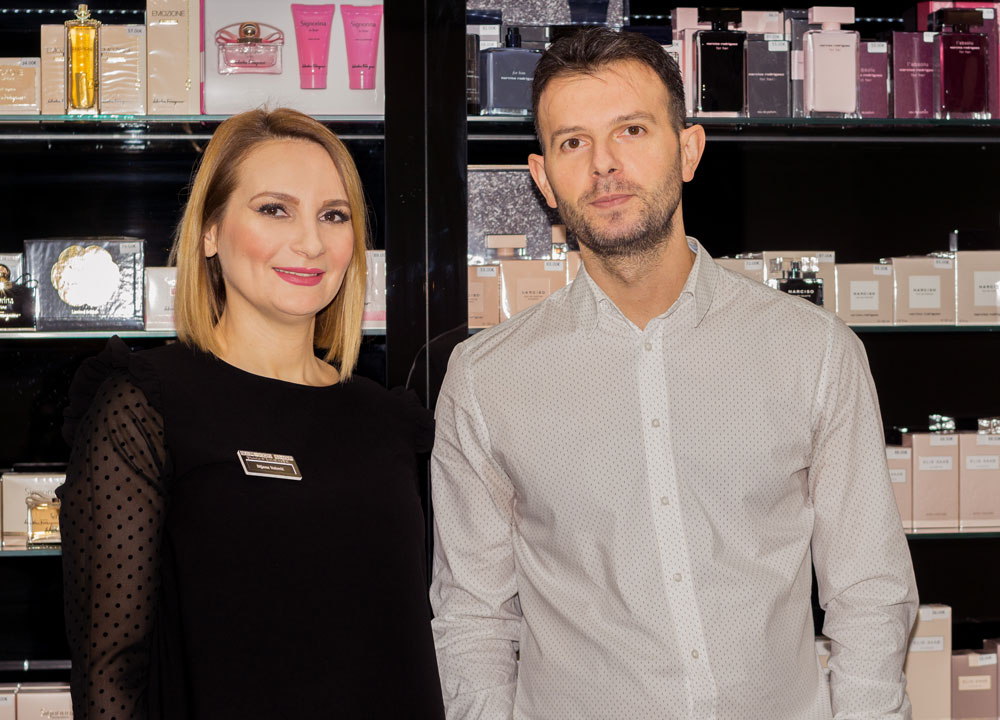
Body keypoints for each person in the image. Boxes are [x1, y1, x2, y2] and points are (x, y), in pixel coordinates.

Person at [430, 28, 918, 720]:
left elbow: (869, 590)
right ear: (542, 179)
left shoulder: (812, 351)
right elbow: (473, 618)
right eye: (572, 142)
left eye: (631, 130)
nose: (604, 164)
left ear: (688, 150)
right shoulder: (486, 380)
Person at [59, 108, 445, 720]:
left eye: (333, 215)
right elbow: (110, 672)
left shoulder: (391, 422)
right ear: (210, 232)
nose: (311, 242)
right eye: (274, 209)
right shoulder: (147, 406)